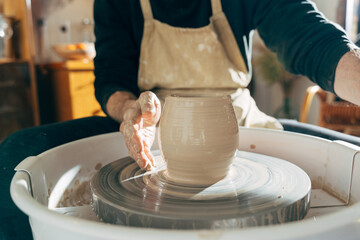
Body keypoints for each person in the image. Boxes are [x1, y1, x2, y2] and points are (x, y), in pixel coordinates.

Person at [1, 0, 360, 239]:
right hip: (151, 122)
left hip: (238, 121)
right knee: (18, 152)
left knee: (353, 155)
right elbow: (112, 75)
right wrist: (128, 110)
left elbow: (312, 40)